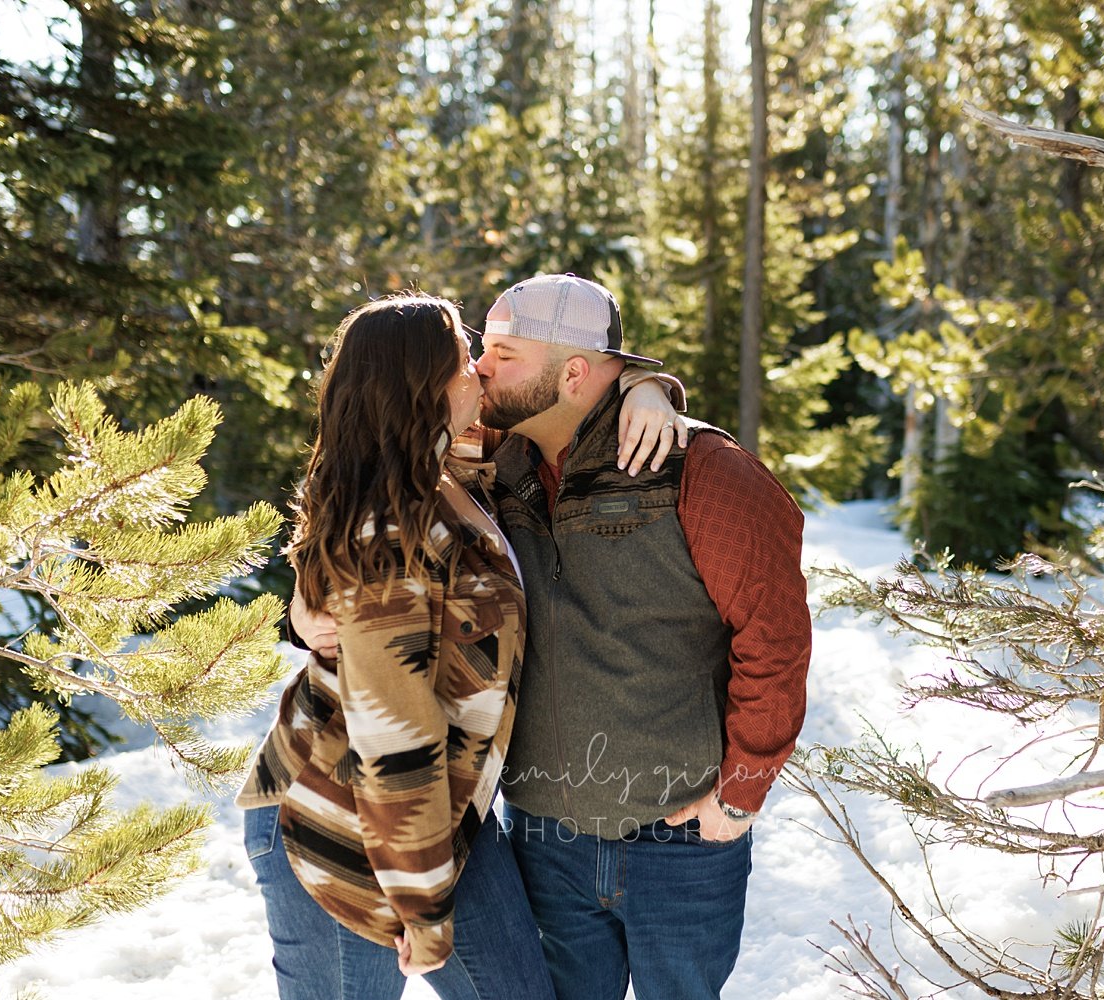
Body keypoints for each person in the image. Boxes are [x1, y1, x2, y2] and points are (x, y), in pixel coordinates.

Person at [235, 292, 685, 1000]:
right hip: (344, 824)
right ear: (423, 390)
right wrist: (419, 903)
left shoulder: (446, 467)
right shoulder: (385, 530)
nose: (481, 369)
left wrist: (642, 384)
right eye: (463, 360)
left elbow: (562, 397)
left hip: (441, 815)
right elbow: (394, 730)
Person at [475, 273, 812, 1000]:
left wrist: (740, 794)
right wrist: (648, 379)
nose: (480, 366)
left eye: (502, 352)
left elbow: (775, 635)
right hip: (541, 835)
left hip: (680, 840)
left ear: (571, 373)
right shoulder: (496, 463)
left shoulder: (703, 470)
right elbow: (391, 419)